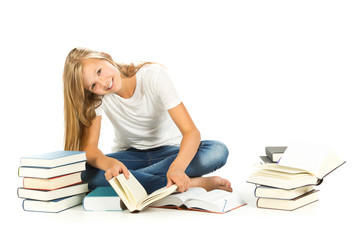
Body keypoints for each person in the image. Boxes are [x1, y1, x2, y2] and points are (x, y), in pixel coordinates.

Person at [62, 47, 232, 194]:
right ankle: (192, 184)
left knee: (217, 151)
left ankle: (133, 181)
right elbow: (90, 148)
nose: (103, 83)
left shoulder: (153, 76)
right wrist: (110, 164)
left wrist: (178, 167)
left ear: (106, 57)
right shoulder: (96, 99)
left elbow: (191, 133)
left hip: (170, 153)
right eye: (93, 86)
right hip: (130, 155)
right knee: (86, 173)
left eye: (99, 71)